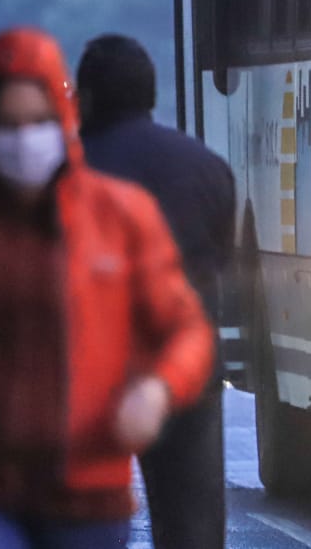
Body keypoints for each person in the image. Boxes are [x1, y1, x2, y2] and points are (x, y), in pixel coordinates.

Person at [0, 27, 215, 548]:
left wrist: (160, 388)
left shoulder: (120, 215)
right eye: (7, 123)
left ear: (65, 118)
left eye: (37, 121)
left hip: (92, 494)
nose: (23, 138)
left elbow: (185, 329)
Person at [76, 34, 235, 549]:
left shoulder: (66, 172)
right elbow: (223, 263)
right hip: (184, 374)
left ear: (88, 97)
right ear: (149, 93)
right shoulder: (208, 167)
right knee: (191, 525)